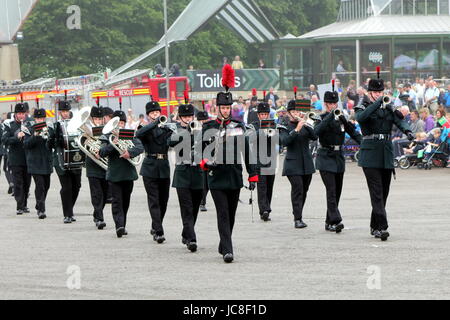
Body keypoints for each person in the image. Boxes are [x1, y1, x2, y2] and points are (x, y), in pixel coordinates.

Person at [200, 79, 258, 263]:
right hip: (216, 177)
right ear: (217, 108)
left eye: (228, 108)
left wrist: (253, 174)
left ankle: (223, 243)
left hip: (234, 175)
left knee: (231, 214)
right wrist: (205, 162)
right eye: (222, 108)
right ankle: (228, 250)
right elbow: (199, 150)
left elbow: (247, 152)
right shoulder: (208, 127)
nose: (225, 111)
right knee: (223, 213)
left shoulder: (238, 127)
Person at [355, 68, 413, 241]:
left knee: (384, 192)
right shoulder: (363, 105)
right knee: (377, 192)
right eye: (376, 92)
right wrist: (376, 103)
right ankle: (382, 227)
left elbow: (399, 120)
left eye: (381, 92)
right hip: (370, 152)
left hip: (386, 152)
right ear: (369, 93)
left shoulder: (388, 107)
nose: (379, 94)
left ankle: (374, 225)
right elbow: (361, 118)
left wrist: (408, 131)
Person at [314, 86, 362, 233]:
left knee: (337, 191)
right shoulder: (321, 118)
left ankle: (329, 221)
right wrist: (329, 116)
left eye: (335, 103)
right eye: (330, 104)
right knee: (331, 190)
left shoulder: (341, 118)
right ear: (326, 104)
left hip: (338, 157)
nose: (333, 106)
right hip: (325, 156)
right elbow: (316, 132)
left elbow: (353, 132)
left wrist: (365, 144)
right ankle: (336, 220)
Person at [99, 110, 144, 238]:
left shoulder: (131, 135)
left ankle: (122, 224)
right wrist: (114, 144)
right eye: (118, 123)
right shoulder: (107, 136)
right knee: (117, 201)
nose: (120, 125)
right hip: (114, 174)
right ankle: (119, 225)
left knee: (126, 201)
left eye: (122, 123)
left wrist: (130, 153)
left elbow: (140, 147)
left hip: (128, 174)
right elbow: (102, 152)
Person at [136, 102, 174, 244]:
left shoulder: (166, 128)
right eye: (152, 113)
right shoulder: (144, 128)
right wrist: (154, 123)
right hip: (150, 167)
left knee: (163, 201)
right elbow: (139, 134)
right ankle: (159, 231)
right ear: (148, 115)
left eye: (157, 113)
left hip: (163, 166)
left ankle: (155, 224)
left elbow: (171, 142)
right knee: (154, 201)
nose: (155, 115)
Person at [169, 104, 203, 252]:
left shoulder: (200, 130)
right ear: (180, 118)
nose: (188, 119)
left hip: (198, 173)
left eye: (190, 117)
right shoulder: (176, 130)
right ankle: (192, 239)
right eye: (185, 117)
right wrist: (186, 132)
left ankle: (186, 233)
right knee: (187, 208)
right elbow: (170, 142)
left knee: (195, 207)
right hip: (182, 173)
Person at [279, 100, 318, 229]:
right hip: (292, 163)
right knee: (298, 189)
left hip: (306, 163)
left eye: (297, 111)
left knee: (304, 190)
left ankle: (298, 211)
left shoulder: (305, 124)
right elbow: (285, 141)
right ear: (289, 113)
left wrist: (306, 124)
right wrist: (297, 129)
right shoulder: (284, 126)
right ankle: (298, 218)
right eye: (293, 112)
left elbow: (314, 137)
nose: (296, 114)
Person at [47, 100, 83, 224]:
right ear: (59, 112)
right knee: (66, 187)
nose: (65, 114)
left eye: (67, 111)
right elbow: (49, 145)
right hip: (61, 159)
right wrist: (53, 137)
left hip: (75, 159)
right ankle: (67, 214)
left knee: (77, 186)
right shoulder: (54, 125)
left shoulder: (77, 125)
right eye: (63, 111)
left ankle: (70, 208)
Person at [248, 102, 278, 222]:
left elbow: (278, 141)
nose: (264, 116)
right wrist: (261, 130)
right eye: (262, 114)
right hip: (258, 160)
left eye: (266, 114)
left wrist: (271, 132)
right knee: (262, 186)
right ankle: (264, 210)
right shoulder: (253, 126)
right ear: (258, 115)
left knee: (269, 186)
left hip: (271, 160)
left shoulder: (273, 125)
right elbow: (249, 138)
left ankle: (267, 208)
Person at [23, 108, 53, 219]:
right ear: (35, 119)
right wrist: (35, 136)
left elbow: (52, 143)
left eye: (42, 118)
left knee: (47, 186)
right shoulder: (29, 129)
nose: (40, 120)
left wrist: (49, 137)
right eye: (38, 118)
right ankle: (41, 210)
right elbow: (26, 144)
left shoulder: (49, 128)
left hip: (46, 161)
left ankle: (39, 203)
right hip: (35, 162)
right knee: (39, 186)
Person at [2, 103, 32, 215]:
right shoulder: (9, 125)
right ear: (15, 114)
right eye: (19, 113)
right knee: (18, 183)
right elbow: (5, 140)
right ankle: (19, 206)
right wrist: (16, 137)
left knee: (27, 183)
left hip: (28, 159)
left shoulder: (29, 124)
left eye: (23, 114)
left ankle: (24, 205)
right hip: (15, 159)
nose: (21, 116)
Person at [86, 107, 108, 230]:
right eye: (96, 118)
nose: (98, 121)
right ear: (92, 119)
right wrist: (91, 149)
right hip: (92, 166)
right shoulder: (87, 131)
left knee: (105, 194)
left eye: (100, 118)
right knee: (96, 193)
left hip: (105, 166)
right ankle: (100, 219)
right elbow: (82, 144)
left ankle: (97, 213)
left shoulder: (107, 130)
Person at [196, 111, 210, 212]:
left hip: (211, 159)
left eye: (205, 120)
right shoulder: (196, 130)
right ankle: (202, 202)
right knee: (204, 183)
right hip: (201, 159)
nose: (204, 122)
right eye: (202, 120)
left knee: (208, 183)